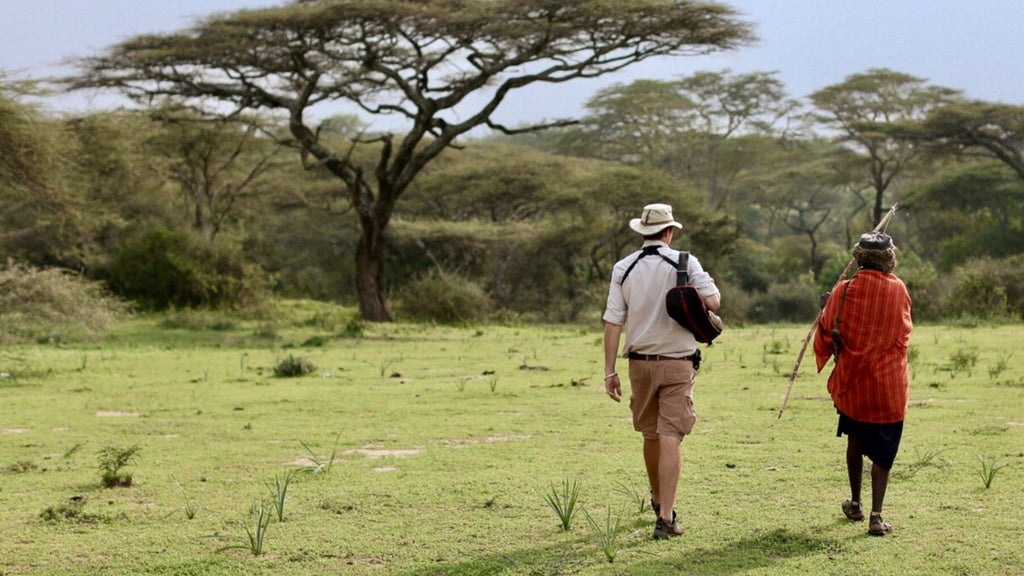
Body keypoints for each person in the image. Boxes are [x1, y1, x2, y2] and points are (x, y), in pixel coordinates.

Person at [602, 203, 721, 540]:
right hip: (678, 363)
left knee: (651, 434)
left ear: (643, 232)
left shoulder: (623, 267)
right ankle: (666, 518)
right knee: (672, 435)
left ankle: (657, 500)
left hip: (638, 363)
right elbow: (714, 302)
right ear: (669, 232)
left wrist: (609, 372)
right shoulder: (684, 261)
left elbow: (613, 321)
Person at [813, 231, 913, 537]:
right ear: (889, 258)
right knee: (883, 454)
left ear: (858, 257)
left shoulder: (843, 290)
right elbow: (904, 332)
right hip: (887, 388)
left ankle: (855, 503)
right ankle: (875, 516)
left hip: (853, 384)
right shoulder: (898, 288)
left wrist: (827, 306)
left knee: (854, 440)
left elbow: (827, 332)